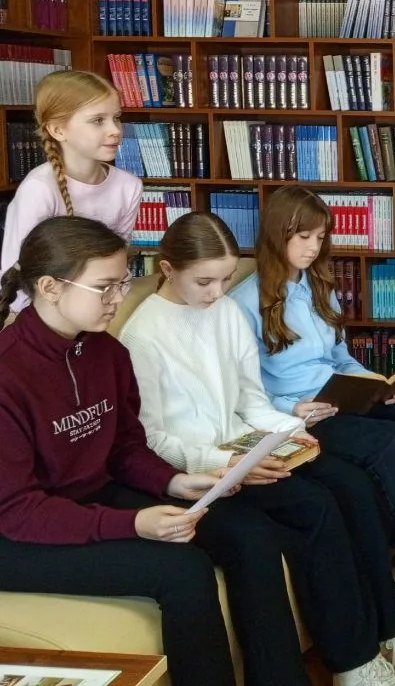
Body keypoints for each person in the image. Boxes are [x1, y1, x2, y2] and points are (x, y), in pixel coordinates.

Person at [118, 211, 395, 684]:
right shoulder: (141, 336)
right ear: (168, 269)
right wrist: (226, 461)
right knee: (317, 505)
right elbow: (152, 438)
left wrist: (292, 433)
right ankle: (353, 661)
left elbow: (250, 400)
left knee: (354, 486)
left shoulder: (224, 312)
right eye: (204, 282)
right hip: (204, 467)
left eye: (225, 279)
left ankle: (390, 630)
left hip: (248, 446)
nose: (216, 293)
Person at [229, 186, 395, 635]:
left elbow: (341, 358)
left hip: (342, 397)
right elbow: (244, 389)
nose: (313, 248)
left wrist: (375, 383)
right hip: (302, 416)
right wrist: (293, 407)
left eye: (320, 237)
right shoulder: (243, 303)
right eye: (304, 237)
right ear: (277, 234)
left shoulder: (318, 288)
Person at [0, 216, 235, 686]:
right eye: (104, 287)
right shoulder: (8, 373)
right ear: (49, 287)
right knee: (182, 571)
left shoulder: (106, 352)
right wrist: (132, 524)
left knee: (241, 529)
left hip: (89, 497)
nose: (118, 298)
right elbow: (18, 510)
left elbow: (124, 446)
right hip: (16, 534)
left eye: (122, 283)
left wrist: (172, 481)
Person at [1, 71, 141, 313]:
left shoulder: (129, 187)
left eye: (116, 118)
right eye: (98, 120)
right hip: (41, 314)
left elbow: (117, 265)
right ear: (57, 130)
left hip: (105, 306)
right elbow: (16, 278)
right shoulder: (39, 189)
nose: (115, 130)